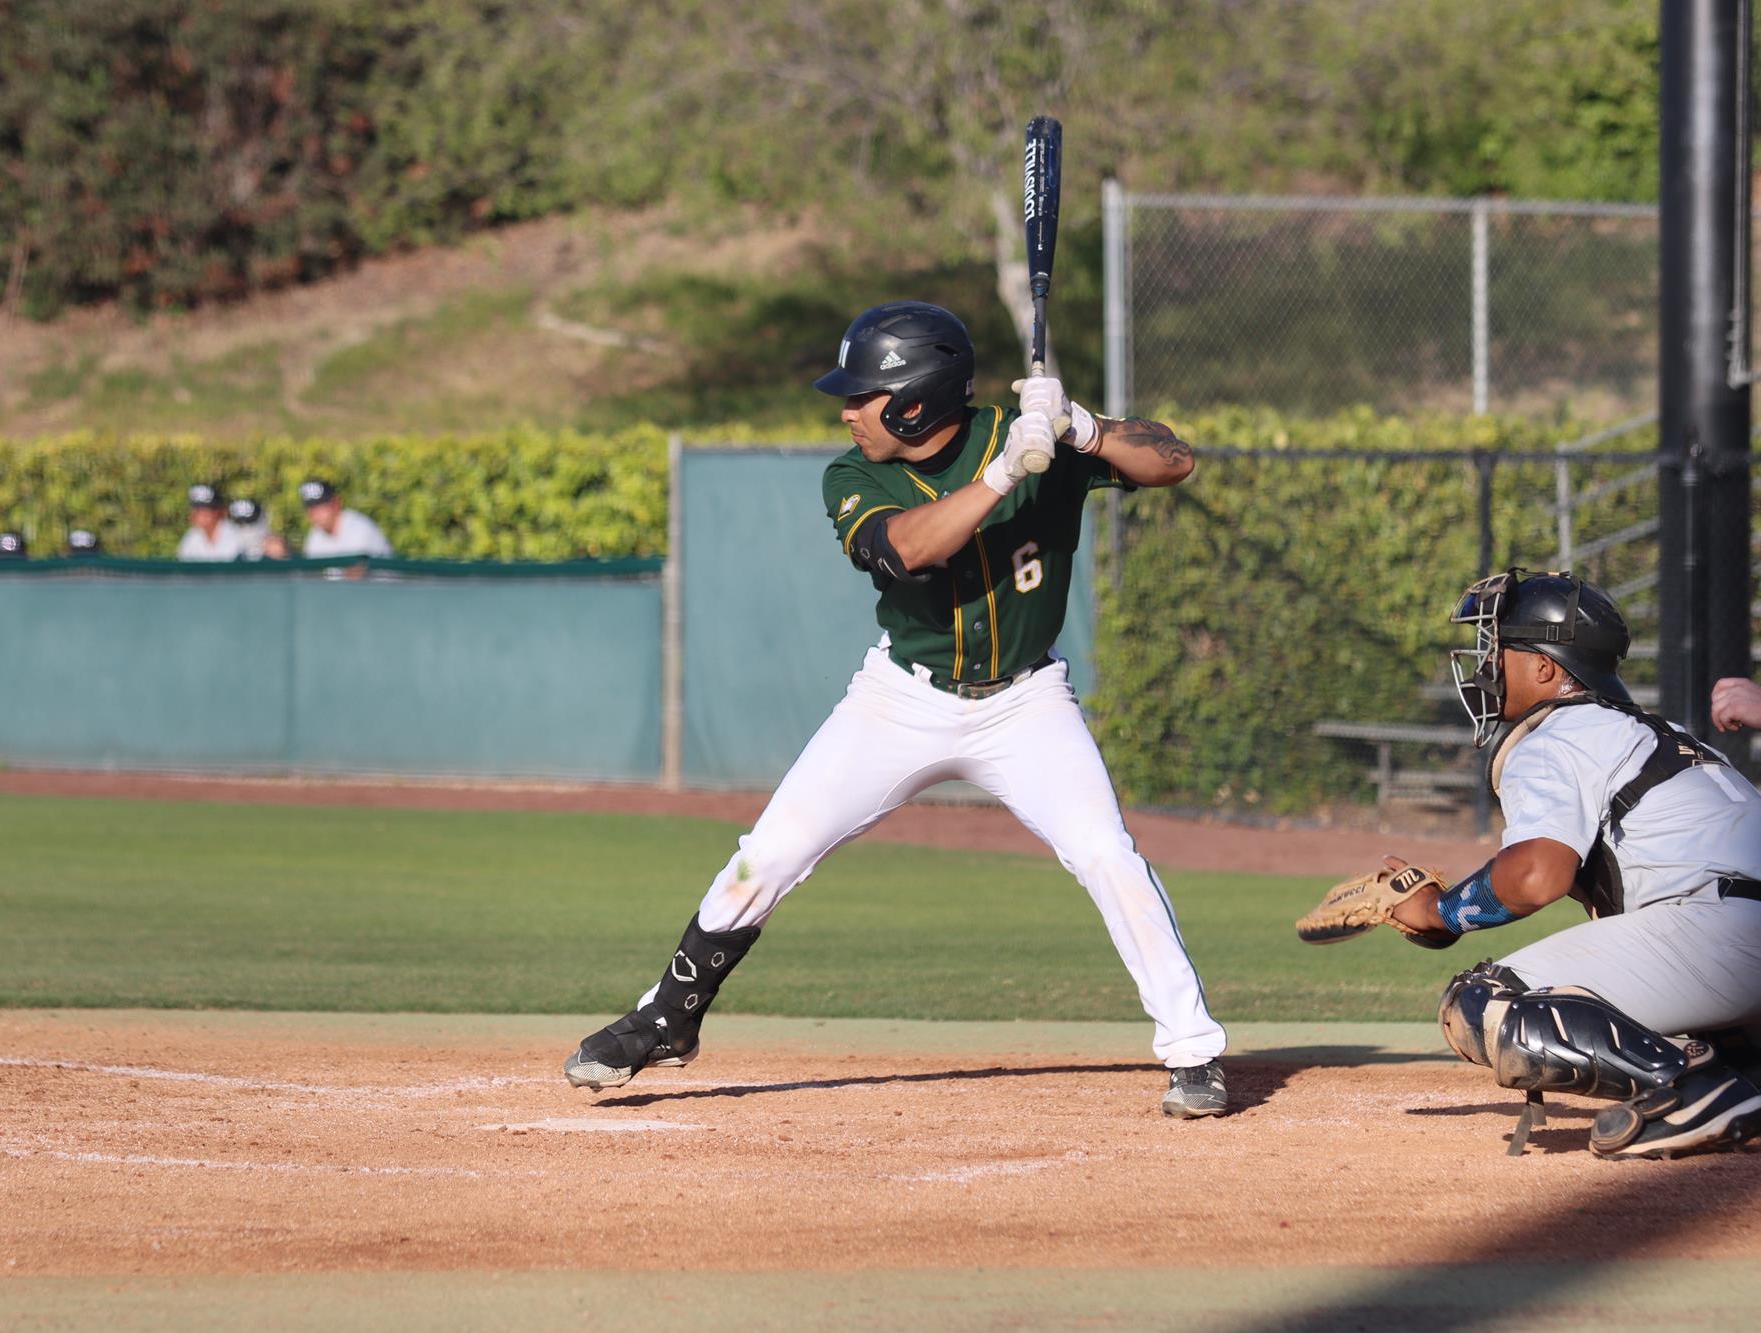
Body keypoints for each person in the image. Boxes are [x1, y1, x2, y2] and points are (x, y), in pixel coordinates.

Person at [563, 300, 1230, 1117]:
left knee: (1106, 854)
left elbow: (1175, 461)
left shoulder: (1029, 432)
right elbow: (909, 548)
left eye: (862, 395)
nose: (846, 411)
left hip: (1027, 702)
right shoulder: (853, 473)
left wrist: (1081, 428)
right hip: (899, 698)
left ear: (916, 400)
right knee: (767, 852)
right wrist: (1006, 473)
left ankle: (1194, 1051)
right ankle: (668, 1018)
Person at [1307, 569, 1761, 1158]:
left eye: (1498, 647)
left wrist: (1441, 912)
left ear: (1546, 668)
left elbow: (1537, 875)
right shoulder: (1663, 733)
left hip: (1723, 936)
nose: (1486, 663)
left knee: (1486, 1003)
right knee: (1683, 1022)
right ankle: (1738, 1074)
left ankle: (1697, 1092)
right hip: (1731, 938)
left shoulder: (1557, 732)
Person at [299, 479, 393, 559]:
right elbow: (310, 575)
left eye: (321, 506)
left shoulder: (359, 529)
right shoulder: (315, 535)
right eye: (312, 508)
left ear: (336, 503)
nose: (316, 514)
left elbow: (354, 576)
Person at [176, 483, 244, 562]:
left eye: (206, 509)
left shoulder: (236, 534)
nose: (200, 514)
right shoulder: (192, 536)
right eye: (197, 509)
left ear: (218, 511)